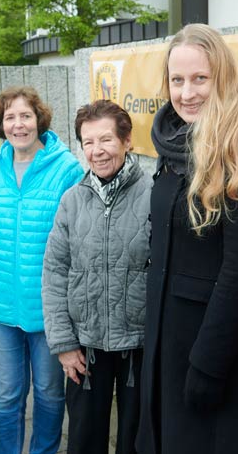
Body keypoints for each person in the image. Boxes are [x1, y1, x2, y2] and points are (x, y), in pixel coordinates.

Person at [137, 23, 238, 454]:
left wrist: (208, 366)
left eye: (200, 79)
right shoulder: (172, 141)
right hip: (168, 340)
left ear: (221, 77)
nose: (187, 93)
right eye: (178, 80)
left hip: (217, 350)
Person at [0, 86, 83, 454]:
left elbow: (78, 242)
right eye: (10, 117)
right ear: (1, 124)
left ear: (39, 119)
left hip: (49, 310)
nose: (18, 125)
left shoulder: (67, 169)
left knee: (49, 392)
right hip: (1, 306)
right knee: (7, 394)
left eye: (26, 116)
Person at [43, 100, 151, 454]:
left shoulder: (154, 194)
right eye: (88, 142)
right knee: (85, 439)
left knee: (136, 442)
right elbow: (55, 272)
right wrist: (63, 344)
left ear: (127, 140)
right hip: (85, 347)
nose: (96, 151)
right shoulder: (72, 200)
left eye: (105, 139)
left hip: (138, 346)